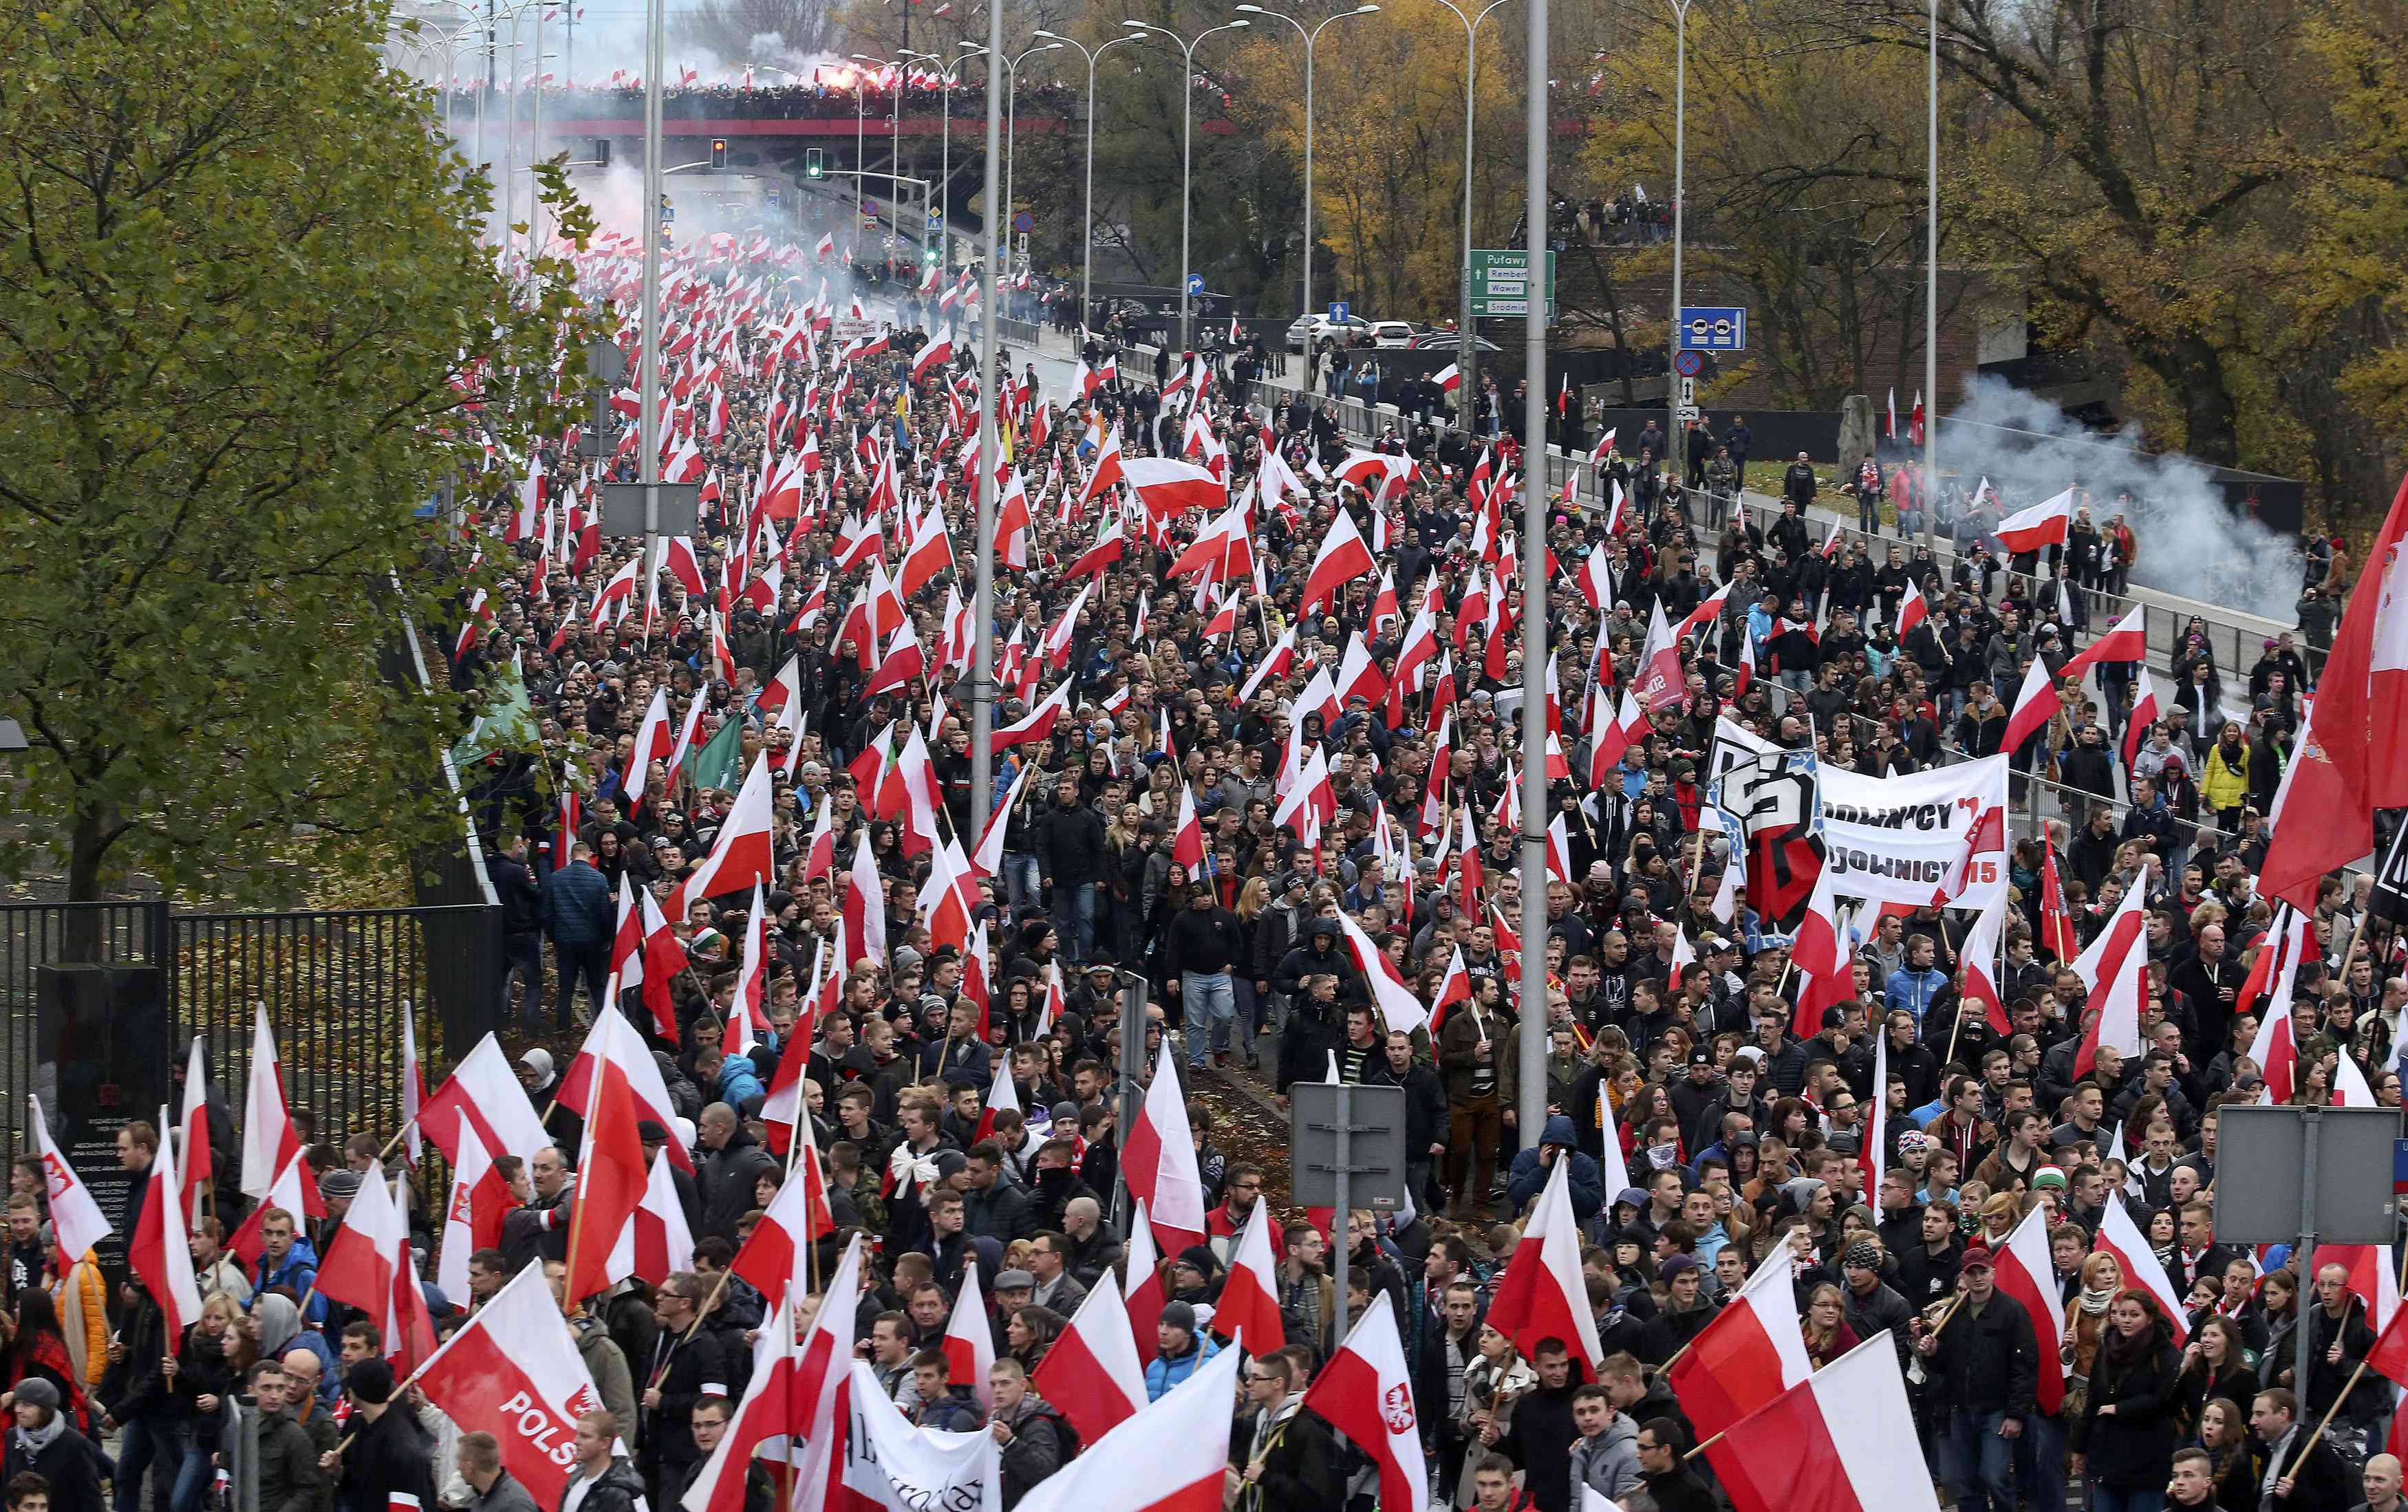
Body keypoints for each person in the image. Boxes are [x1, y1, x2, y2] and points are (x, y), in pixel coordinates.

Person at [2070, 1289, 2184, 1512]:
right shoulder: (2106, 1349)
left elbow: (2165, 1399)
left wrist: (2121, 1409)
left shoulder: (2165, 1352)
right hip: (2107, 1458)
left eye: (2134, 1315)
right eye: (2122, 1314)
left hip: (2147, 1459)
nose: (2127, 1321)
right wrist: (2079, 1447)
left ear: (2149, 1318)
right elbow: (2093, 1400)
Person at [0, 1381, 101, 1512]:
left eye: (27, 1405)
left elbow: (91, 1500)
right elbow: (6, 1491)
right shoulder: (12, 1436)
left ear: (45, 1410)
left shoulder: (75, 1443)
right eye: (17, 1403)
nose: (18, 1410)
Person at [2248, 1387, 2351, 1511]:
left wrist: (2295, 1493)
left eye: (2260, 1414)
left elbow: (2335, 1502)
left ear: (2283, 1414)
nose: (2252, 1421)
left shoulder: (2313, 1448)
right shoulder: (2266, 1448)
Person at [555, 1412, 646, 1512]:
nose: (575, 1441)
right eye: (577, 1434)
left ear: (605, 1443)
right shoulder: (578, 1474)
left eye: (585, 1436)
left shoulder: (617, 1493)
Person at [454, 1431, 541, 1512]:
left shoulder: (515, 1504)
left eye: (460, 1460)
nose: (458, 1467)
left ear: (470, 1467)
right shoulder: (474, 1495)